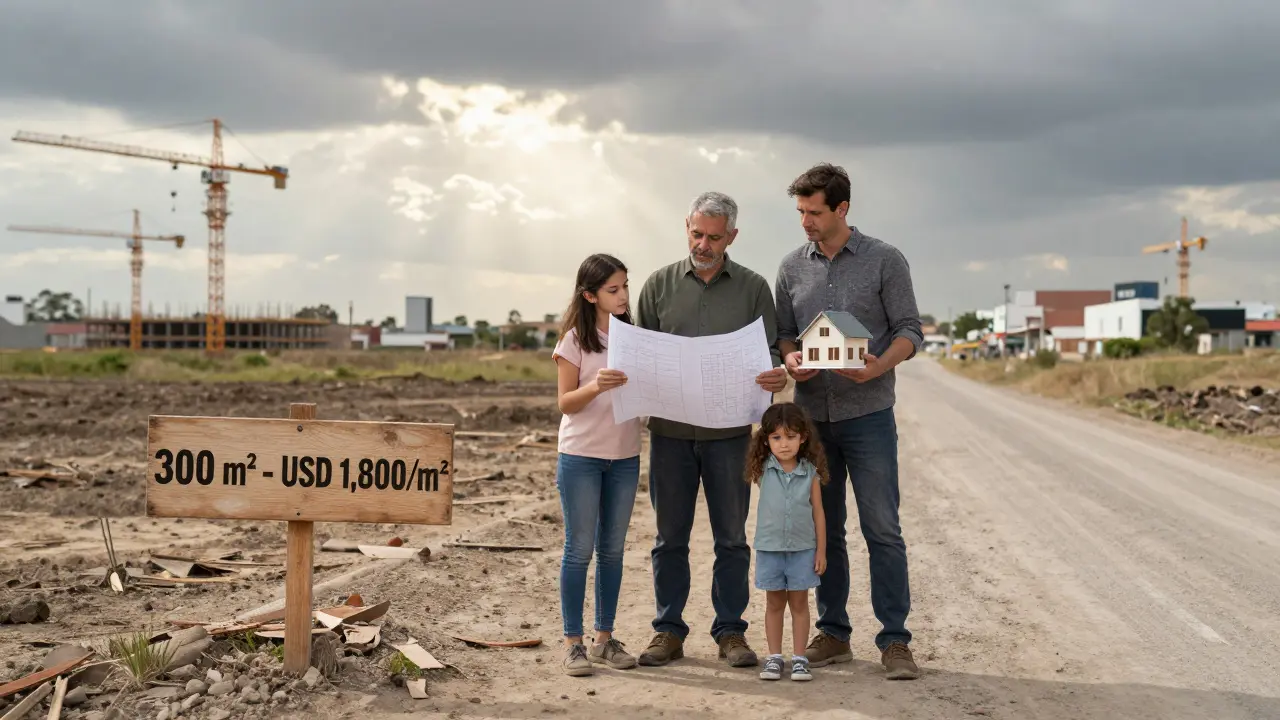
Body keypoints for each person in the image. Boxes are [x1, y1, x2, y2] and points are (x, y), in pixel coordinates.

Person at [774, 163, 924, 680]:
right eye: (800, 212)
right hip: (813, 421)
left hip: (869, 415)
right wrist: (791, 359)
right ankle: (834, 633)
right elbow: (784, 334)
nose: (805, 222)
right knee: (826, 529)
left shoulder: (885, 259)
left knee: (882, 528)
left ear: (842, 208)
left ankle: (895, 640)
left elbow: (910, 330)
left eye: (814, 212)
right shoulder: (791, 267)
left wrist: (878, 367)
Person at [634, 191, 790, 668]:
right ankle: (668, 631)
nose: (703, 245)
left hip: (729, 438)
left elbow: (770, 352)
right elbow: (641, 352)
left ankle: (731, 632)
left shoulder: (754, 288)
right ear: (687, 227)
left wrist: (775, 374)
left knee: (732, 538)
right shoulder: (657, 285)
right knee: (669, 538)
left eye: (714, 238)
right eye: (697, 234)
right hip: (670, 435)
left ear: (732, 237)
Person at [551, 253, 644, 677]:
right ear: (590, 295)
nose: (623, 296)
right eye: (613, 289)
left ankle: (604, 640)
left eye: (625, 286)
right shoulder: (574, 341)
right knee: (579, 549)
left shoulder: (635, 339)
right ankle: (573, 644)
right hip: (581, 457)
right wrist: (595, 386)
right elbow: (565, 403)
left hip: (625, 457)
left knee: (612, 550)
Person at [745, 402, 829, 682]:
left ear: (803, 437)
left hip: (803, 550)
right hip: (770, 549)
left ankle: (800, 659)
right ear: (766, 440)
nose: (784, 444)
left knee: (800, 604)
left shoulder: (810, 473)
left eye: (791, 437)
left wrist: (821, 551)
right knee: (774, 604)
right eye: (776, 437)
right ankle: (774, 658)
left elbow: (818, 513)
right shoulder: (762, 470)